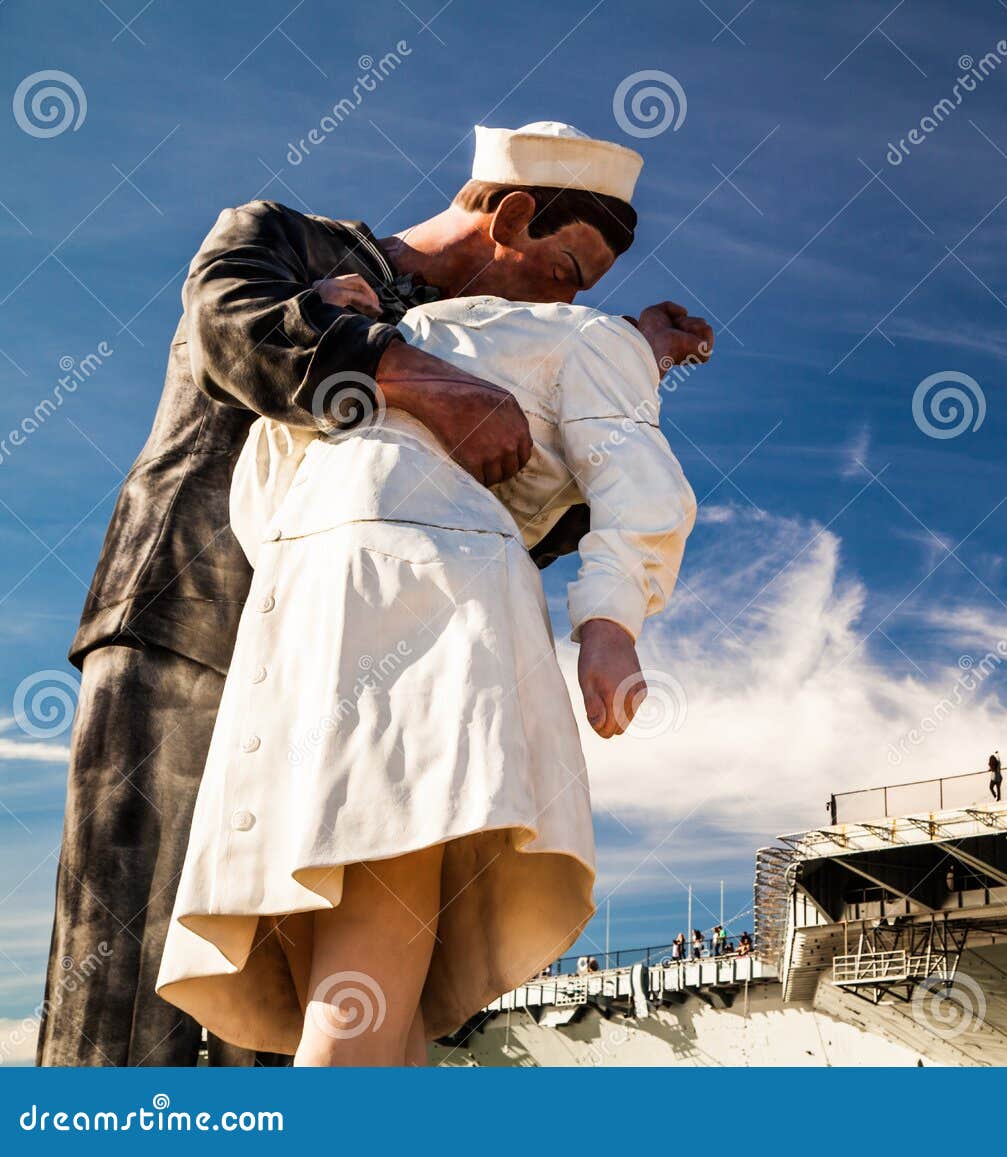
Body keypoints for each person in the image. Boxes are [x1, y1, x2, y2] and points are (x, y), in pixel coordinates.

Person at [39, 118, 711, 1068]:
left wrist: (621, 360)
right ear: (511, 218)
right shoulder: (288, 240)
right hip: (190, 621)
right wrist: (415, 374)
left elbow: (530, 515)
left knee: (287, 976)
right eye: (564, 272)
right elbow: (233, 334)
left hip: (355, 644)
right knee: (137, 955)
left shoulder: (490, 334)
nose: (566, 300)